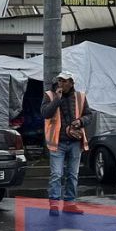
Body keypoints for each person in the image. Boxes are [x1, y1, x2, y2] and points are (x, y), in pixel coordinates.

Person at [41, 71, 93, 216]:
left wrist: (80, 121)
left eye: (64, 81)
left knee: (72, 174)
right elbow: (45, 113)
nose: (61, 83)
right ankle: (54, 204)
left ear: (71, 83)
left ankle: (70, 204)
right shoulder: (50, 95)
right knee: (57, 174)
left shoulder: (80, 97)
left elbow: (89, 115)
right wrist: (57, 100)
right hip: (57, 142)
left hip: (75, 141)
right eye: (59, 80)